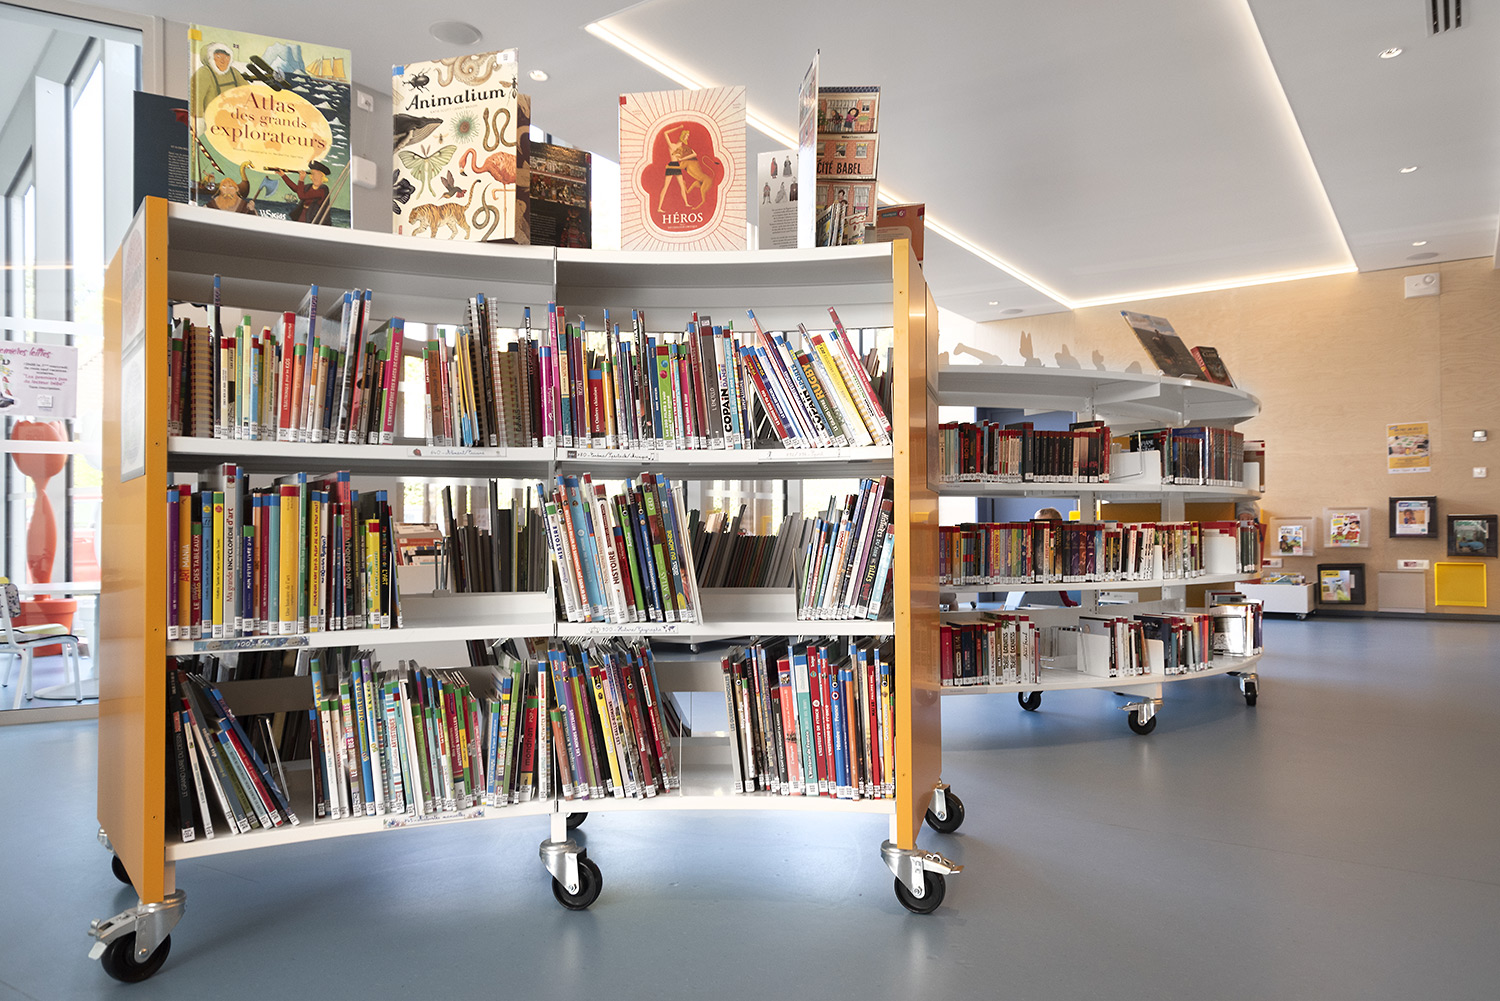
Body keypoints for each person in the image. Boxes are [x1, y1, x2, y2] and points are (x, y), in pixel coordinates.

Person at [275, 160, 333, 224]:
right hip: (302, 215)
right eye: (312, 174)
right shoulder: (309, 186)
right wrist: (283, 175)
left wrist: (301, 179)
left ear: (322, 176)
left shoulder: (323, 190)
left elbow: (302, 196)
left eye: (316, 174)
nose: (313, 177)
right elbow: (296, 189)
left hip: (314, 218)